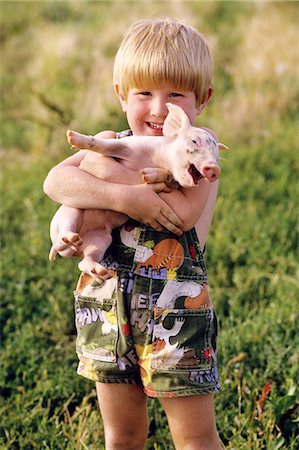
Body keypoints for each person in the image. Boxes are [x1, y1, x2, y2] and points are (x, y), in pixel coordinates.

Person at [44, 18, 223, 450]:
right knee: (121, 436)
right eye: (144, 93)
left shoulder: (199, 156)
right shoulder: (108, 142)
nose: (159, 109)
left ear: (201, 100)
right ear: (121, 95)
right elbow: (55, 183)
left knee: (195, 438)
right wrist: (127, 198)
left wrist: (109, 189)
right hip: (104, 312)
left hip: (173, 315)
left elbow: (178, 217)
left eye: (175, 94)